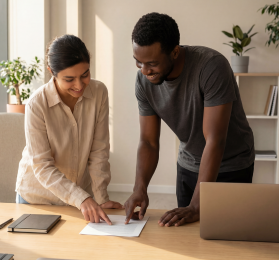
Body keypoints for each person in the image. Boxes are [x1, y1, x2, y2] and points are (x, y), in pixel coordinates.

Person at [124, 13, 255, 227]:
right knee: (188, 235)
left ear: (175, 52)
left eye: (152, 63)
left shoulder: (212, 67)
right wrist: (140, 189)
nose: (145, 70)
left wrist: (196, 207)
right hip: (189, 163)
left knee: (228, 235)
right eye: (138, 62)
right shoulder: (144, 81)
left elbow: (215, 140)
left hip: (231, 165)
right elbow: (148, 141)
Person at [15, 34, 122, 225]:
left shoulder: (99, 93)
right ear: (51, 72)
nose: (79, 85)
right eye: (69, 79)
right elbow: (42, 165)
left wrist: (101, 198)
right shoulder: (37, 104)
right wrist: (81, 198)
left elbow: (99, 151)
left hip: (82, 199)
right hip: (38, 199)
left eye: (85, 75)